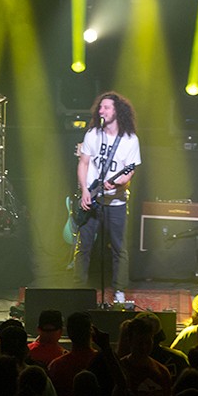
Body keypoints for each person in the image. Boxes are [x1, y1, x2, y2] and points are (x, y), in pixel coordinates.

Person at [74, 91, 141, 303]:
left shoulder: (130, 140)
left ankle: (119, 291)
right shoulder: (93, 134)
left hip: (116, 203)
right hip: (92, 199)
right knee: (83, 246)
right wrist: (84, 190)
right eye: (100, 107)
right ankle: (77, 289)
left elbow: (129, 173)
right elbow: (83, 163)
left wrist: (119, 182)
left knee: (118, 248)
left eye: (106, 107)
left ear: (117, 111)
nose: (101, 110)